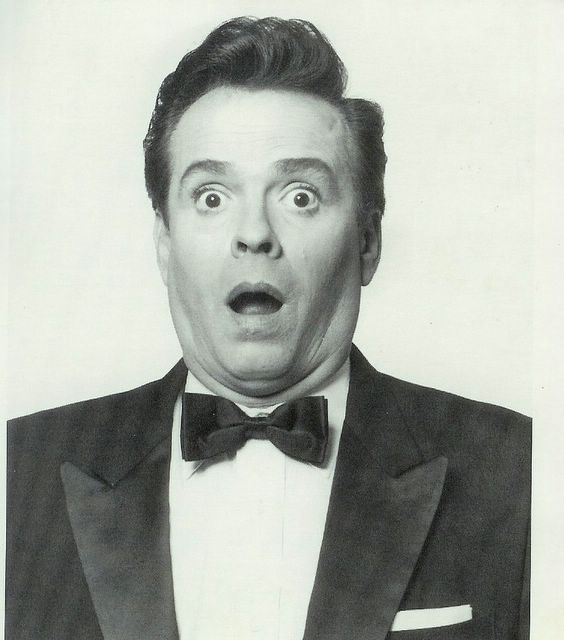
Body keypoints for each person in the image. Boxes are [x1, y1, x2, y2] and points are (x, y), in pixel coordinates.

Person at [5, 16, 530, 640]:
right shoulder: (19, 469)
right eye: (212, 196)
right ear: (165, 244)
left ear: (367, 241)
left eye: (300, 195)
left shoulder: (520, 469)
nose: (254, 233)